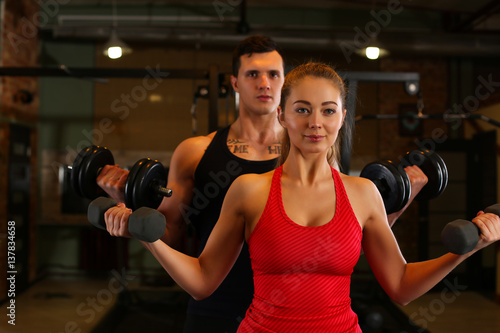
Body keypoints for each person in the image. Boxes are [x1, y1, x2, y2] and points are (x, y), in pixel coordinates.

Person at [104, 62, 500, 332]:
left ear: (343, 117)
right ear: (282, 115)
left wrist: (468, 248)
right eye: (302, 109)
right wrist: (148, 236)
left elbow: (400, 284)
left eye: (328, 111)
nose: (315, 123)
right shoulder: (249, 190)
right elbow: (203, 282)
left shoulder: (364, 194)